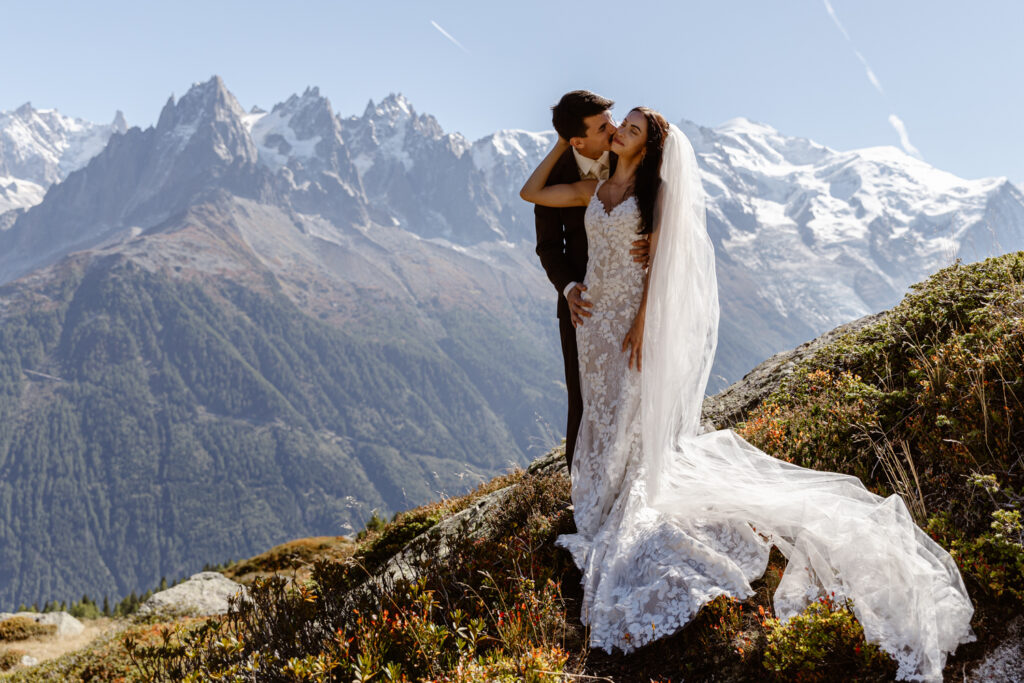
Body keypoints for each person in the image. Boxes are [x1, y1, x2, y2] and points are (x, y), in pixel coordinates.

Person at [520, 105, 975, 682]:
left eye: (630, 128)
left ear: (648, 145)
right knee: (599, 413)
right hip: (594, 324)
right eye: (617, 126)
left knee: (628, 416)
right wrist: (563, 144)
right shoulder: (593, 184)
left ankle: (619, 491)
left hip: (629, 321)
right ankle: (599, 488)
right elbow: (532, 191)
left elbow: (667, 268)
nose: (618, 132)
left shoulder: (656, 196)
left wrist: (641, 325)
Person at [534, 91, 649, 472]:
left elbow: (665, 214)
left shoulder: (633, 152)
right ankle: (581, 487)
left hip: (629, 294)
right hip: (582, 302)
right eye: (604, 126)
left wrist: (651, 241)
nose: (615, 129)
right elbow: (548, 247)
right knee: (583, 395)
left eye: (613, 119)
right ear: (577, 140)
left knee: (635, 389)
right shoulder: (557, 177)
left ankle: (634, 473)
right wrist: (568, 290)